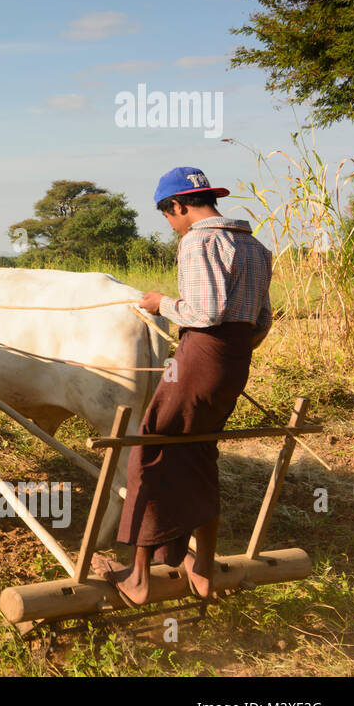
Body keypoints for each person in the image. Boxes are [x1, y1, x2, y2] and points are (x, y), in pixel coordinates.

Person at [95, 167, 273, 604]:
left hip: (198, 358)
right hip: (234, 363)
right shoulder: (255, 246)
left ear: (179, 205)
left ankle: (138, 577)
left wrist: (160, 303)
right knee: (198, 451)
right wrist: (228, 353)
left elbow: (204, 311)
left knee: (149, 450)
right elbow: (263, 320)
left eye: (168, 215)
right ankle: (202, 567)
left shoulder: (198, 241)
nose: (171, 225)